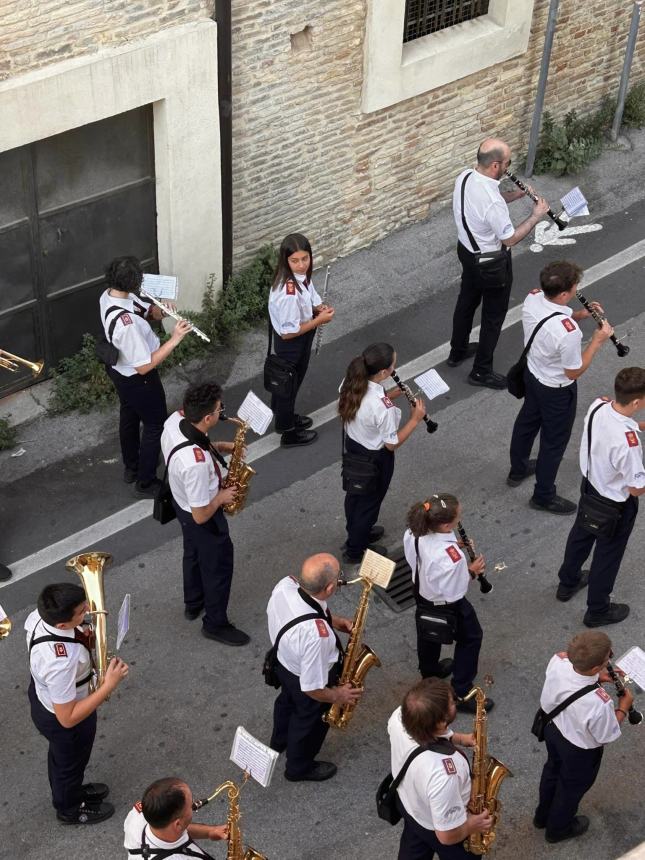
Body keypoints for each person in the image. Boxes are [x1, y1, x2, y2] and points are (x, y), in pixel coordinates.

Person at [508, 261, 613, 514]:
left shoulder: (533, 298)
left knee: (526, 423)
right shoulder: (568, 334)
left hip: (533, 375)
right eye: (575, 287)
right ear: (565, 294)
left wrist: (576, 315)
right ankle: (543, 495)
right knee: (553, 443)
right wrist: (597, 341)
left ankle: (518, 469)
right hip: (556, 389)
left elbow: (549, 318)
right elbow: (573, 370)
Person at [448, 137, 550, 389]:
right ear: (496, 165)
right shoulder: (492, 202)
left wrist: (514, 195)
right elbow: (511, 238)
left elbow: (484, 204)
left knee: (467, 301)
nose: (508, 167)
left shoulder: (466, 177)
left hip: (467, 252)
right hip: (491, 263)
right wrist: (536, 216)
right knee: (493, 316)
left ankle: (457, 351)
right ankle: (481, 371)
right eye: (507, 163)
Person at [26, 582, 129, 824]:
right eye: (83, 611)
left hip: (46, 697)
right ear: (62, 625)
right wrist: (108, 685)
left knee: (64, 760)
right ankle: (70, 809)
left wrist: (85, 623)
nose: (89, 612)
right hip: (63, 719)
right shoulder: (60, 663)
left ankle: (71, 792)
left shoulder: (37, 617)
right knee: (69, 764)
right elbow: (68, 717)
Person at [161, 381, 250, 647]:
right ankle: (215, 623)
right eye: (219, 408)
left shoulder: (174, 421)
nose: (222, 411)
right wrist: (222, 497)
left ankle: (193, 603)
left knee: (193, 552)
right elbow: (201, 516)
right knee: (218, 568)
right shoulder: (195, 465)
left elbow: (196, 441)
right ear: (208, 417)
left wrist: (221, 446)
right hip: (200, 514)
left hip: (181, 504)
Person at [556, 367, 645, 627]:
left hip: (591, 487)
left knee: (580, 536)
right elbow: (636, 488)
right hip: (616, 505)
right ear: (638, 402)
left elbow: (615, 426)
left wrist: (638, 426)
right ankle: (597, 610)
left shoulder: (598, 406)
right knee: (608, 556)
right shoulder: (628, 445)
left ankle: (568, 582)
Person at [100, 256, 192, 496]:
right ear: (131, 284)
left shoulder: (111, 294)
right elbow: (144, 366)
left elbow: (146, 312)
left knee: (129, 415)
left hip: (119, 372)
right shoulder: (125, 324)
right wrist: (175, 339)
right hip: (137, 378)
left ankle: (132, 467)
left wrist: (160, 312)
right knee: (155, 424)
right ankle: (146, 481)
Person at [267, 553, 361, 782]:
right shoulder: (316, 637)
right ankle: (298, 768)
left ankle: (278, 743)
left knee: (286, 703)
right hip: (304, 677)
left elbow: (308, 609)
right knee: (309, 722)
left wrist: (334, 621)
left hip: (284, 664)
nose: (341, 579)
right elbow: (312, 688)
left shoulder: (285, 585)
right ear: (329, 588)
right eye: (339, 576)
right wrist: (338, 694)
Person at [534, 631, 632, 844]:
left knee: (552, 769)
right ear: (597, 667)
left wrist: (594, 677)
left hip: (553, 729)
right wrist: (623, 708)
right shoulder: (599, 703)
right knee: (571, 787)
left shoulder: (558, 660)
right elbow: (606, 734)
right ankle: (558, 829)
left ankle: (542, 816)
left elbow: (573, 678)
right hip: (579, 750)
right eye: (609, 657)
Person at [403, 494, 493, 714]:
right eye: (457, 517)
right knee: (471, 637)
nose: (459, 519)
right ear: (445, 525)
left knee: (426, 631)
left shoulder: (414, 531)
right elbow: (454, 591)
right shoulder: (451, 559)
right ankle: (462, 692)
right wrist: (472, 572)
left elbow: (420, 556)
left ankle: (429, 672)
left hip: (422, 591)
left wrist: (455, 544)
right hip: (444, 602)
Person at [338, 342, 425, 565]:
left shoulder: (351, 382)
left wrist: (389, 395)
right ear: (384, 372)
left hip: (354, 446)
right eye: (393, 365)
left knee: (355, 495)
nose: (394, 369)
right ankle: (356, 549)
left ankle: (356, 532)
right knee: (369, 504)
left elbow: (368, 401)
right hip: (375, 458)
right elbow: (391, 444)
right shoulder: (381, 408)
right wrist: (415, 419)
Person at [388, 677, 492, 859]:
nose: (454, 699)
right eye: (451, 703)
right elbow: (446, 836)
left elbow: (431, 734)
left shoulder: (400, 717)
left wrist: (459, 738)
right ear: (441, 722)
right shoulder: (444, 774)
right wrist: (472, 825)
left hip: (413, 809)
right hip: (447, 828)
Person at [267, 233, 335, 448]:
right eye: (295, 261)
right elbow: (288, 332)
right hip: (292, 344)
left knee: (287, 386)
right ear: (285, 260)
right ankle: (288, 433)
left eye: (305, 258)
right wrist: (319, 320)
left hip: (299, 338)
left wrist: (317, 307)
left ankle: (282, 416)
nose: (301, 265)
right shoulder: (287, 291)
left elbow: (309, 294)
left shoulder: (299, 276)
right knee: (289, 388)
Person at [124, 777, 228, 858]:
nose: (196, 804)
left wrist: (211, 832)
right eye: (191, 805)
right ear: (178, 824)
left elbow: (176, 829)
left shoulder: (137, 816)